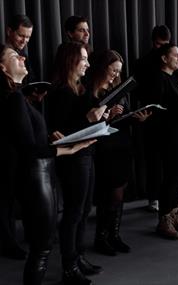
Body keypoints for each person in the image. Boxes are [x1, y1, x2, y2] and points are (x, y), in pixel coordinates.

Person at [0, 44, 96, 285]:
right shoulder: (13, 99)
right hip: (35, 178)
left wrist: (32, 103)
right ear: (2, 68)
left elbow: (32, 137)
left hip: (39, 176)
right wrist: (67, 147)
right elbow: (30, 149)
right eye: (14, 56)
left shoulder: (18, 97)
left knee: (42, 247)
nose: (22, 57)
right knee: (42, 248)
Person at [47, 42, 106, 285]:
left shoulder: (78, 88)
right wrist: (88, 119)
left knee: (82, 211)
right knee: (73, 212)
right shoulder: (61, 91)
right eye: (83, 58)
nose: (88, 63)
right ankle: (69, 266)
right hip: (73, 160)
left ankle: (78, 257)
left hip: (85, 155)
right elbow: (61, 133)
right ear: (71, 60)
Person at [86, 49, 149, 255]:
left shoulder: (118, 89)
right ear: (102, 68)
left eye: (118, 71)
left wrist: (135, 118)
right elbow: (90, 124)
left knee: (119, 193)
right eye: (112, 70)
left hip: (122, 144)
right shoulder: (91, 91)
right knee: (108, 194)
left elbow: (124, 116)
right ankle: (101, 238)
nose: (115, 75)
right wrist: (108, 116)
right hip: (105, 147)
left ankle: (114, 234)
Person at [133, 25, 178, 212]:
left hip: (177, 130)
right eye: (176, 55)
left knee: (175, 173)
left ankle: (172, 209)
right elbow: (157, 104)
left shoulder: (174, 75)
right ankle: (163, 208)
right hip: (162, 129)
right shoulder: (153, 72)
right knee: (159, 167)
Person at [144, 43, 178, 239]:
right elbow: (157, 109)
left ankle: (174, 214)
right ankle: (164, 219)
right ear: (164, 58)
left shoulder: (176, 79)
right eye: (176, 55)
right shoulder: (158, 78)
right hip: (168, 136)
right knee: (171, 177)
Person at [0, 14, 35, 260]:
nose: (24, 41)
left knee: (13, 194)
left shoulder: (19, 60)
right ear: (9, 31)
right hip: (5, 141)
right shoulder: (3, 56)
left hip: (17, 136)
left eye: (28, 38)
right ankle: (7, 241)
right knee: (4, 196)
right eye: (21, 35)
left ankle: (13, 238)